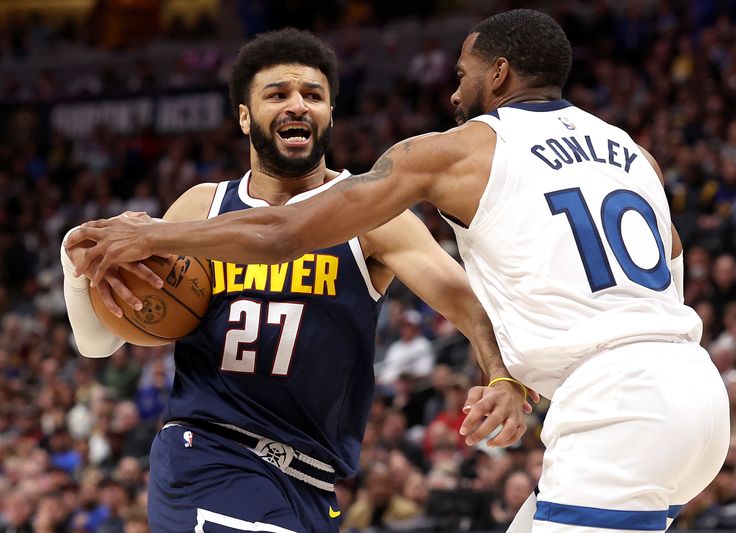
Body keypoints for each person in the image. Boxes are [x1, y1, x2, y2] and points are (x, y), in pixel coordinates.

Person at [69, 10, 731, 533]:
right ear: (245, 114)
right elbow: (668, 253)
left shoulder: (454, 152)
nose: (452, 89)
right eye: (278, 93)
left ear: (497, 75)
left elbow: (289, 232)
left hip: (613, 401)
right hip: (695, 391)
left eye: (463, 73)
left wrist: (151, 232)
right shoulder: (630, 152)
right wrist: (510, 372)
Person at [61, 29, 529, 533]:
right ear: (245, 116)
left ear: (330, 114)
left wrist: (503, 375)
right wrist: (75, 265)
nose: (297, 105)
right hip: (210, 459)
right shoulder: (201, 207)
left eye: (313, 95)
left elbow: (467, 304)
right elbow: (97, 343)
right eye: (277, 94)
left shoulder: (373, 214)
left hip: (312, 487)